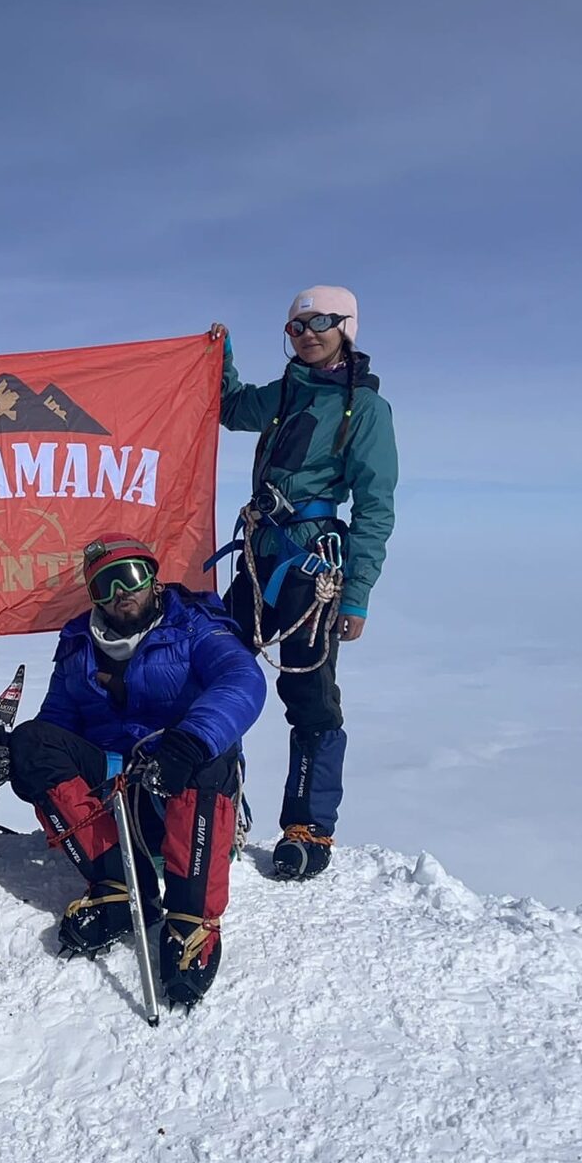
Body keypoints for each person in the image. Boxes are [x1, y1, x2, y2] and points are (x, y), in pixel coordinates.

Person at [0, 534, 266, 1009]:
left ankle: (191, 920)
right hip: (117, 796)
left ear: (153, 578)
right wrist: (16, 755)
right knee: (32, 742)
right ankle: (117, 889)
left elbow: (242, 680)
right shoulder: (77, 645)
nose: (120, 592)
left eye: (130, 577)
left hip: (184, 791)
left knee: (211, 751)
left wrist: (187, 741)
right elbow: (57, 726)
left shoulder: (195, 625)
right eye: (105, 584)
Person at [208, 286, 398, 881]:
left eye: (321, 322)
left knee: (310, 697)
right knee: (213, 671)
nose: (307, 333)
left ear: (348, 327)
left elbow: (375, 505)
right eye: (296, 326)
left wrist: (359, 592)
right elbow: (233, 408)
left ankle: (309, 828)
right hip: (261, 555)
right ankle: (217, 807)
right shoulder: (287, 392)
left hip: (310, 562)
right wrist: (219, 357)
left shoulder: (365, 410)